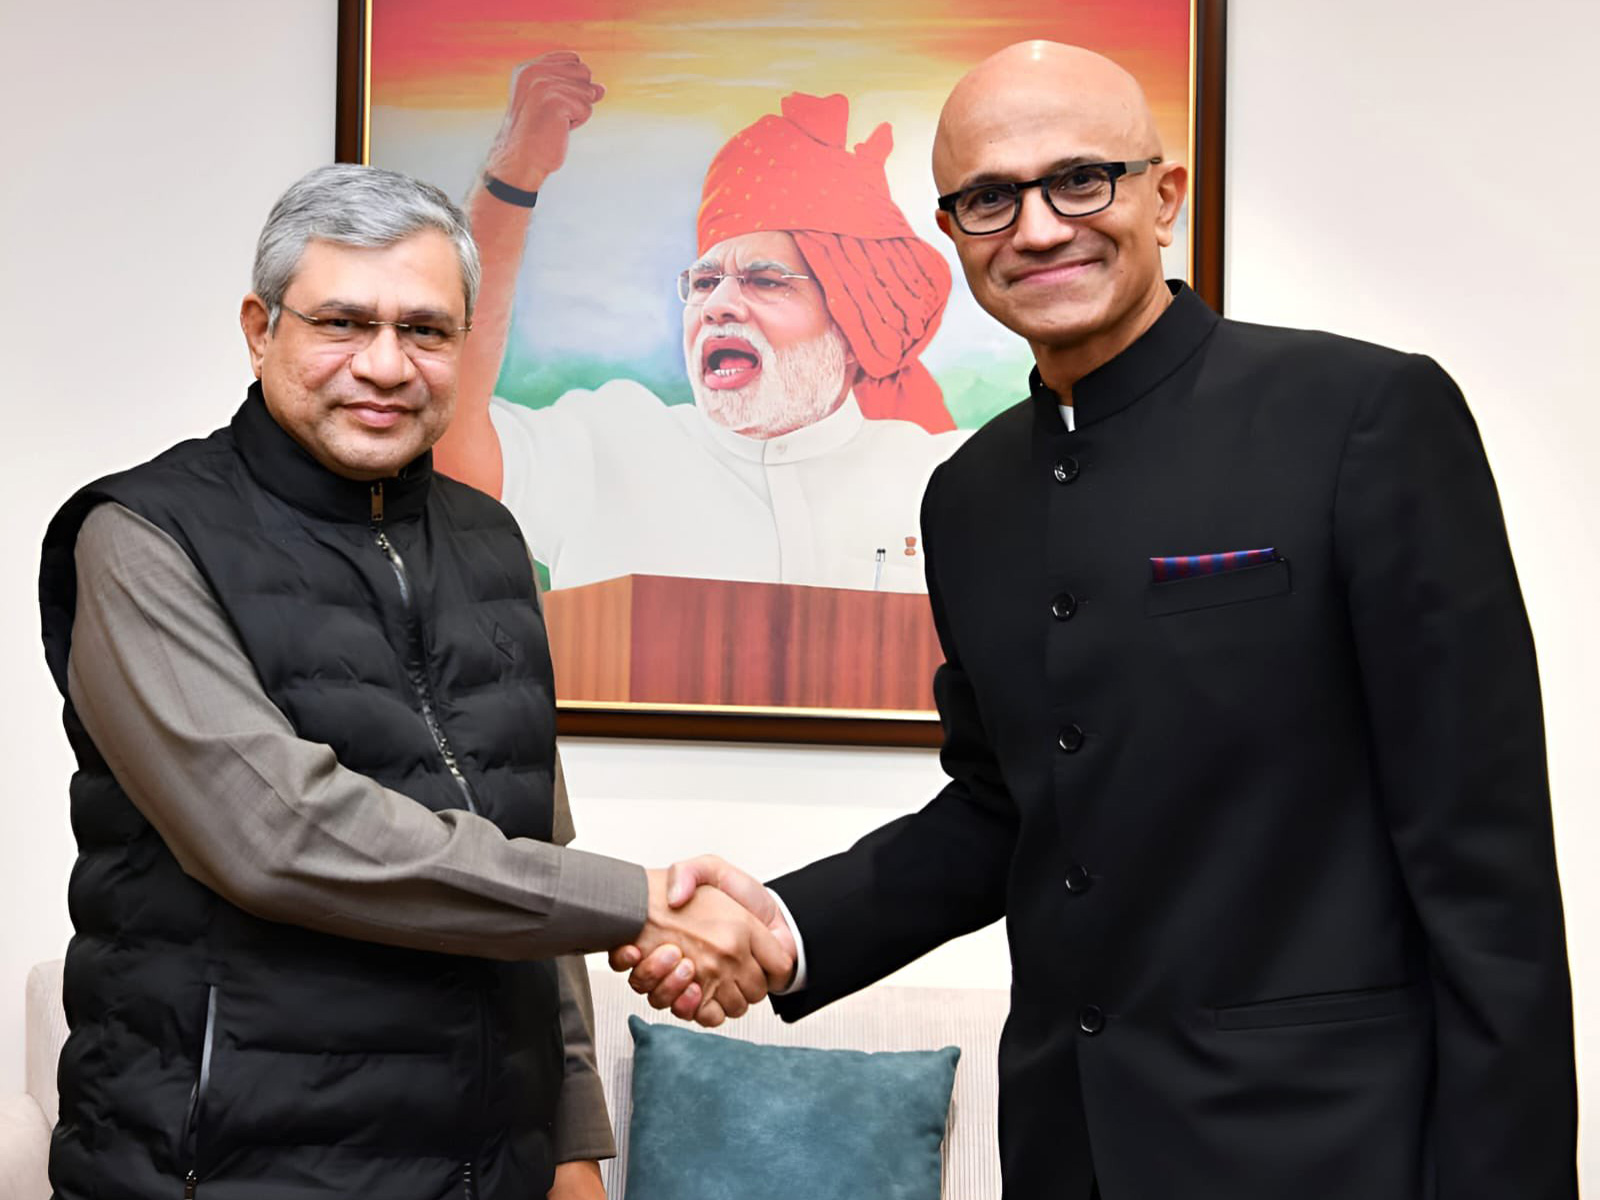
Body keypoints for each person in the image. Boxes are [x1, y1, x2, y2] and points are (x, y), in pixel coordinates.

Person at [617, 41, 1579, 1199]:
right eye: (988, 198)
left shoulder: (1362, 416)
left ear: (1162, 196)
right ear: (952, 233)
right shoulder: (966, 495)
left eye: (1081, 179)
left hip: (1329, 1148)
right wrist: (784, 925)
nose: (1035, 227)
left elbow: (1485, 862)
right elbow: (1001, 807)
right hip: (1069, 1151)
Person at [36, 163, 790, 1200]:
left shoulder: (491, 542)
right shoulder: (140, 537)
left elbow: (533, 854)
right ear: (261, 329)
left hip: (488, 1165)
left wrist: (572, 1142)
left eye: (427, 331)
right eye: (343, 322)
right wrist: (638, 906)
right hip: (230, 1167)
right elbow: (277, 837)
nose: (386, 365)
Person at [434, 56, 969, 593]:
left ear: (852, 329)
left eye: (765, 280)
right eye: (705, 281)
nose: (720, 305)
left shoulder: (945, 477)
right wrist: (512, 176)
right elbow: (444, 448)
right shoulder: (609, 442)